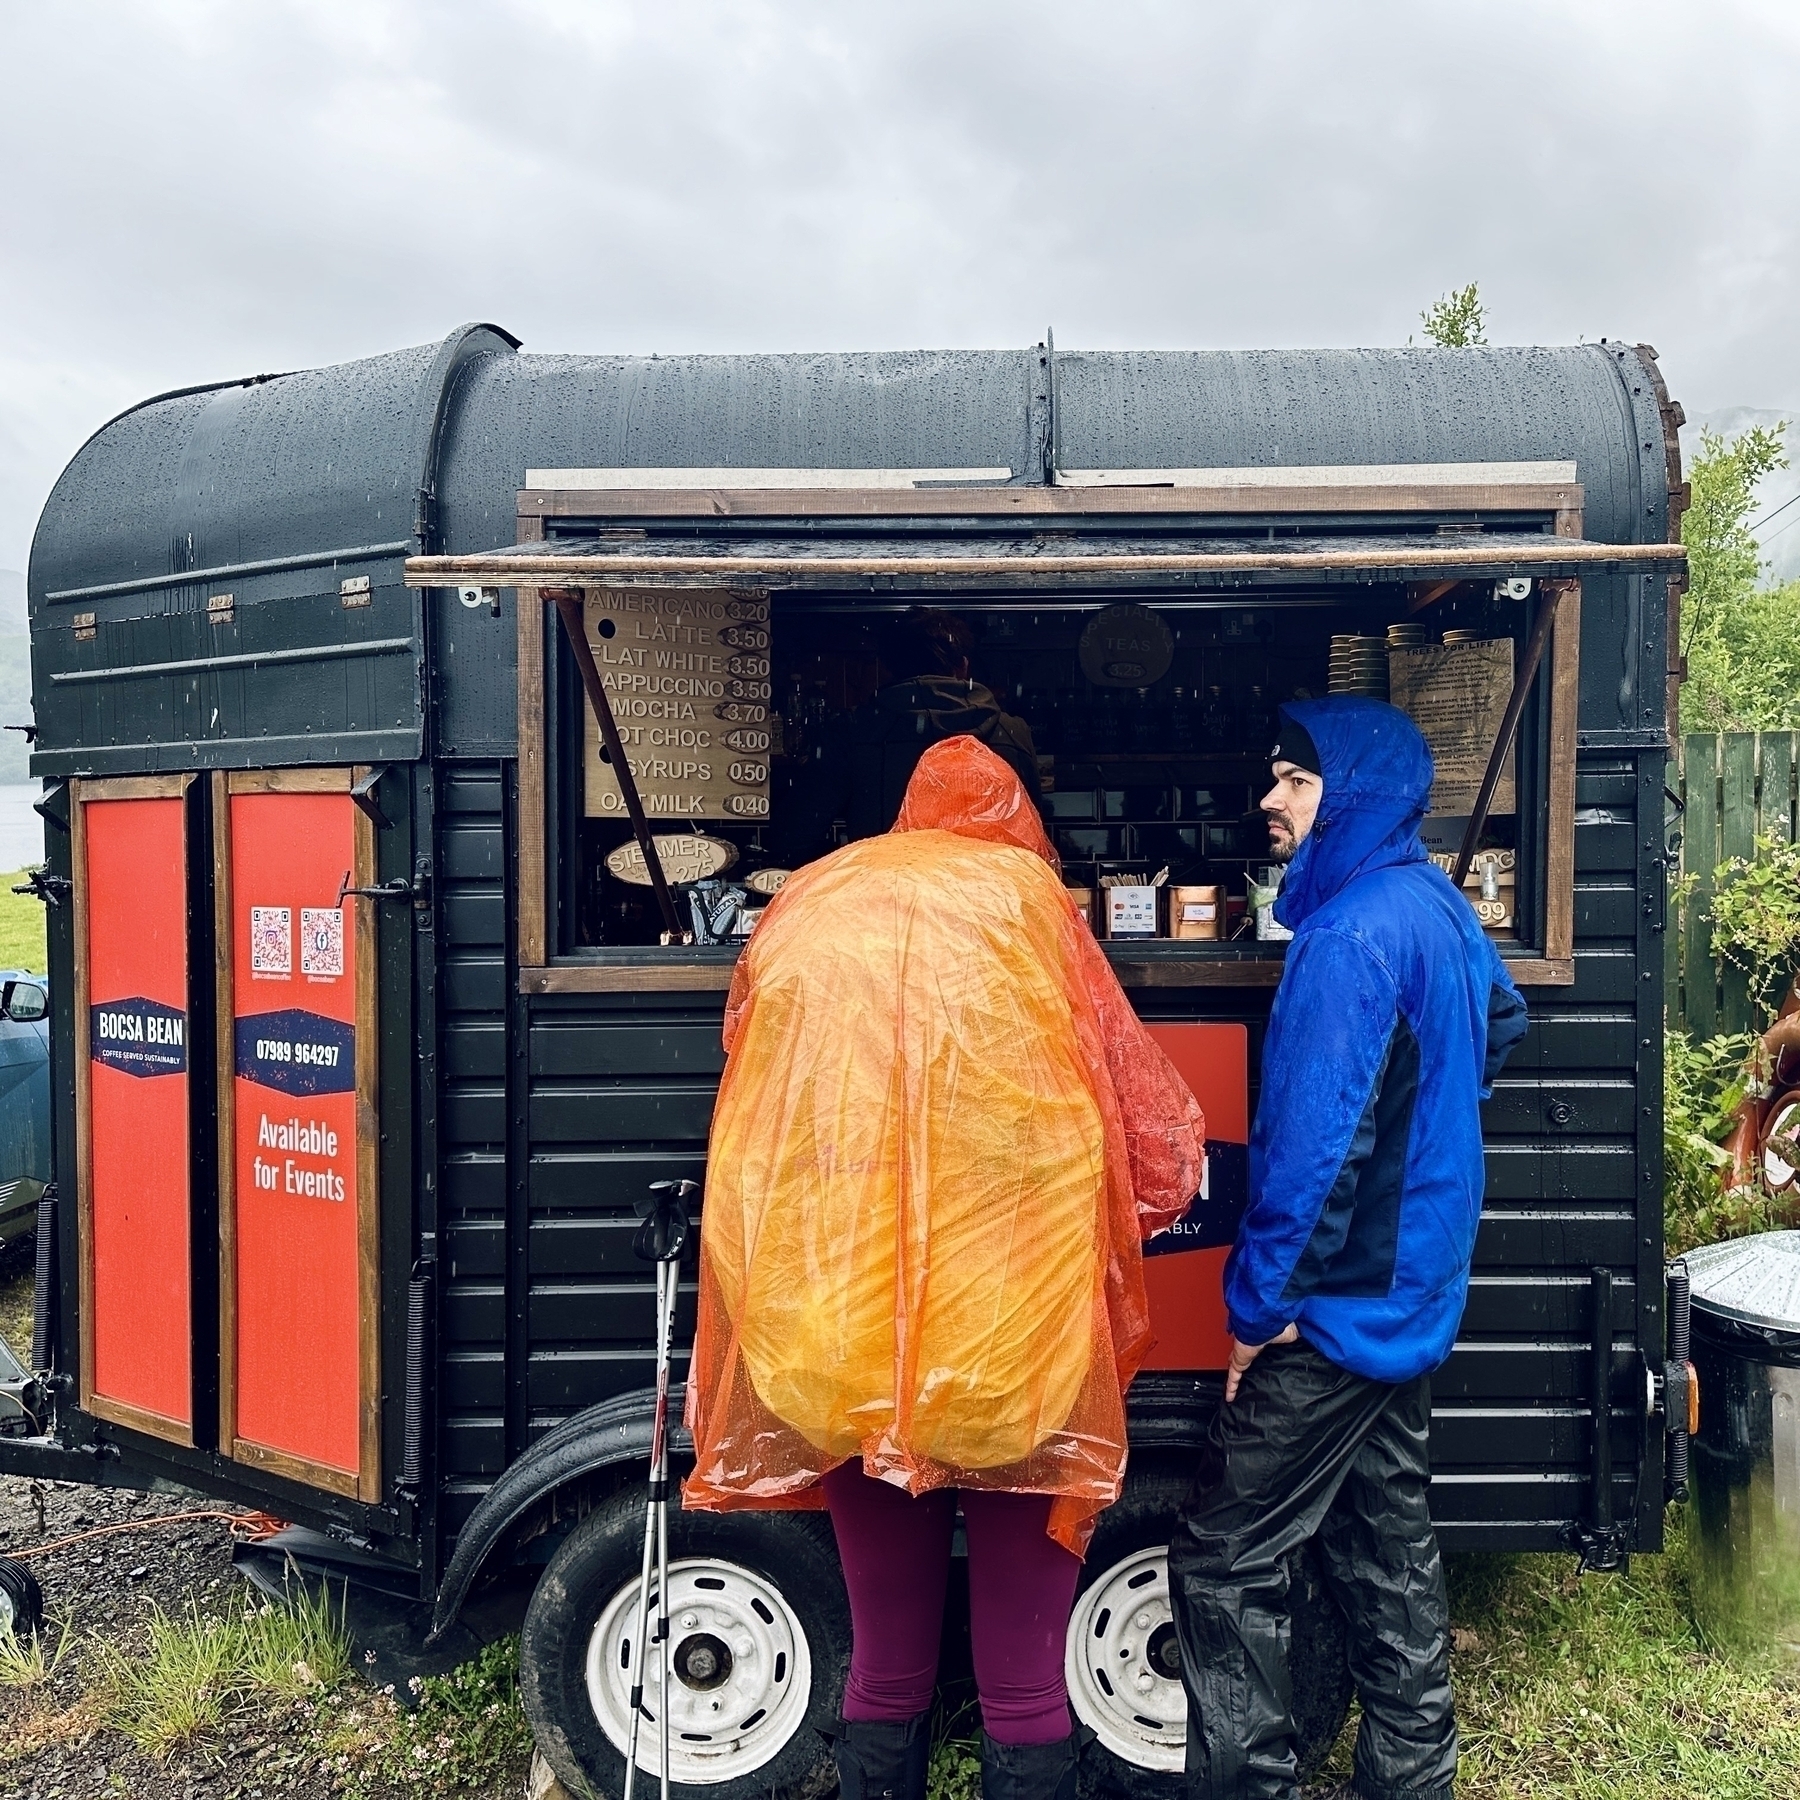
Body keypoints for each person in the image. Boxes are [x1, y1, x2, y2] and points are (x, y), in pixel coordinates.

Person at [685, 734, 1203, 1800]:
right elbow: (1155, 1147)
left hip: (831, 1345)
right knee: (1022, 1682)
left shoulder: (815, 900)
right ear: (1018, 821)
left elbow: (748, 1104)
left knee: (886, 1664)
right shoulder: (1030, 909)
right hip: (1010, 1357)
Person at [1168, 697, 1528, 1800]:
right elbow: (1503, 1022)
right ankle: (1413, 1783)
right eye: (1274, 777)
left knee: (1224, 1559)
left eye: (1295, 781)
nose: (1269, 800)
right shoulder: (1436, 904)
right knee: (1386, 1556)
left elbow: (1316, 1158)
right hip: (1412, 1293)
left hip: (1335, 1310)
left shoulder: (1351, 935)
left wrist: (1256, 1312)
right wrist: (1430, 1143)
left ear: (1355, 795)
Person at [776, 607, 1041, 863]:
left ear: (888, 666)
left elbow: (796, 835)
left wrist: (852, 864)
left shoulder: (851, 731)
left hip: (886, 897)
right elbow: (1032, 836)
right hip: (988, 899)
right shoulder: (1011, 732)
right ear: (963, 666)